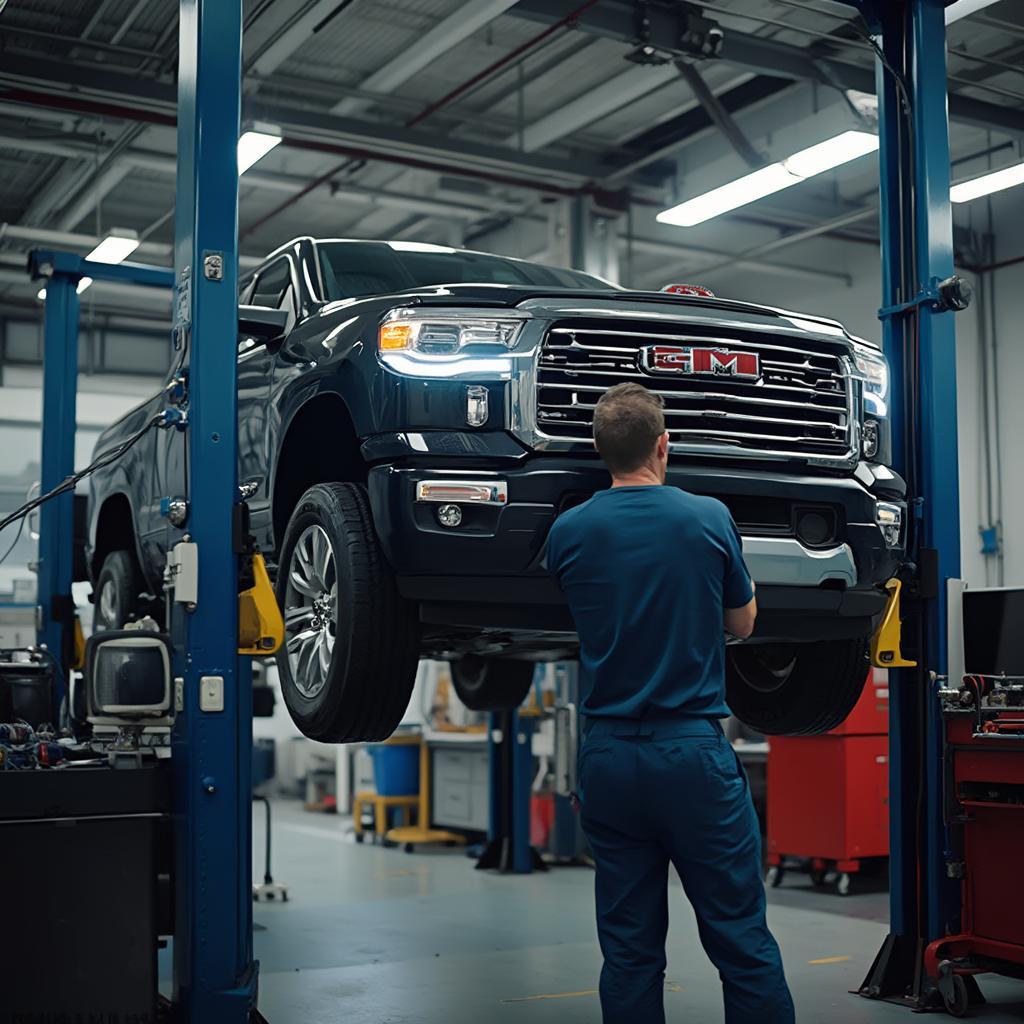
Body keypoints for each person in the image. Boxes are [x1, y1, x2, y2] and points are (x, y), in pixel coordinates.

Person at [546, 382, 794, 1024]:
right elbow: (742, 624)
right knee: (740, 939)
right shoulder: (707, 517)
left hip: (607, 758)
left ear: (601, 451)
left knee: (628, 952)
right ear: (663, 445)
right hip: (690, 754)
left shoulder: (569, 530)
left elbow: (557, 614)